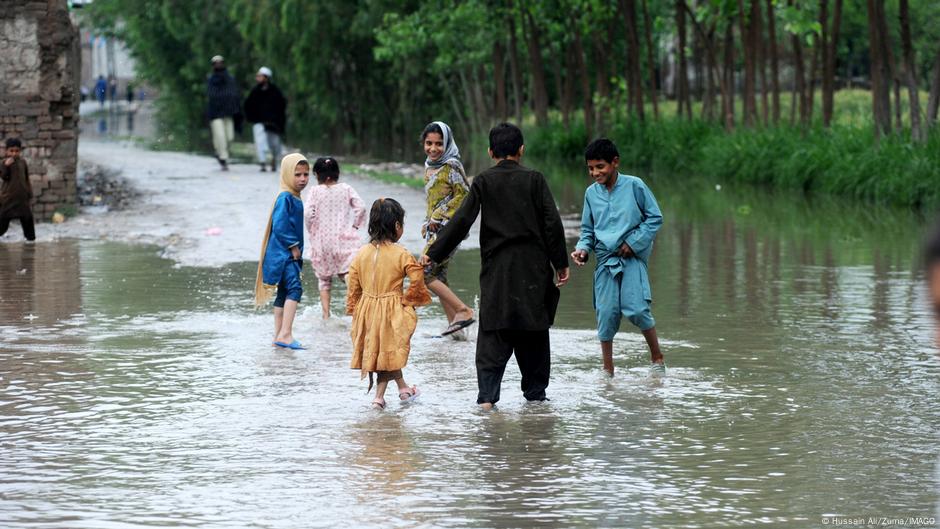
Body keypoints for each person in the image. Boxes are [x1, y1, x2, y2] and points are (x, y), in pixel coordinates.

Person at [424, 123, 570, 410]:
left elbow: (462, 220)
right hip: (533, 272)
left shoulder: (484, 182)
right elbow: (552, 223)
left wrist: (434, 252)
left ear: (491, 152)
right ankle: (536, 399)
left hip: (497, 274)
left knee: (492, 334)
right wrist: (560, 263)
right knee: (534, 334)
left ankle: (488, 401)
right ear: (521, 150)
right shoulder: (535, 179)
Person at [571, 138, 665, 377]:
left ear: (615, 162)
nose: (595, 173)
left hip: (632, 258)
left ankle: (657, 358)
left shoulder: (635, 186)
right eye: (591, 168)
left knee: (636, 309)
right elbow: (588, 230)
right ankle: (607, 370)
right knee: (606, 313)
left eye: (600, 167)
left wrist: (633, 243)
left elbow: (655, 217)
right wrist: (582, 249)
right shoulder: (591, 194)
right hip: (605, 261)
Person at [346, 198, 431, 410]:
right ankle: (379, 398)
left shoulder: (361, 253)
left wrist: (354, 308)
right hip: (392, 307)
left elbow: (353, 285)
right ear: (396, 226)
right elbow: (417, 276)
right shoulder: (401, 253)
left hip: (367, 308)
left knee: (381, 351)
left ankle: (403, 389)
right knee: (386, 351)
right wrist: (410, 300)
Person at [419, 121, 476, 338]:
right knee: (439, 276)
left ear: (447, 144)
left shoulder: (452, 166)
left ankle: (463, 310)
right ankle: (455, 328)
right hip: (435, 231)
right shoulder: (428, 166)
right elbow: (431, 201)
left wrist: (437, 216)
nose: (433, 148)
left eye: (439, 144)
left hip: (451, 230)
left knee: (424, 273)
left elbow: (464, 197)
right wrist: (427, 222)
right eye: (429, 143)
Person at [255, 153, 310, 350]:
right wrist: (293, 246)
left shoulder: (293, 197)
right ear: (287, 174)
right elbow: (280, 225)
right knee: (295, 289)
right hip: (285, 254)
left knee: (284, 291)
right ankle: (286, 334)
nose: (302, 179)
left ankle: (278, 335)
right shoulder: (285, 197)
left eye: (305, 174)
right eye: (297, 174)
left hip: (285, 254)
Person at [304, 157, 366, 319]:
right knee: (346, 273)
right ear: (337, 173)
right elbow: (361, 207)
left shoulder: (314, 191)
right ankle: (356, 305)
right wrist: (355, 226)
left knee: (324, 280)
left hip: (322, 242)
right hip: (344, 239)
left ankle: (325, 316)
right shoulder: (346, 189)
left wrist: (312, 231)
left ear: (316, 174)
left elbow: (307, 213)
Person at [244, 66, 287, 173]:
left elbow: (281, 106)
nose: (258, 78)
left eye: (260, 76)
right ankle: (262, 162)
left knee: (274, 144)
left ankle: (274, 160)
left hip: (273, 123)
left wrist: (278, 121)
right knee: (260, 142)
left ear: (266, 77)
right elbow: (248, 105)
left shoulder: (275, 92)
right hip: (259, 122)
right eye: (257, 76)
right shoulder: (255, 91)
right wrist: (252, 118)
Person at [206, 55, 241, 171]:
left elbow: (234, 94)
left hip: (228, 112)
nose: (218, 65)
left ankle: (219, 152)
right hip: (216, 113)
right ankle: (223, 158)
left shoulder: (229, 79)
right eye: (216, 63)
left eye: (220, 62)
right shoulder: (211, 80)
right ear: (213, 65)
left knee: (229, 137)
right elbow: (212, 95)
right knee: (220, 136)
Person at [0, 138, 35, 242]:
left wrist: (29, 194)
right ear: (6, 151)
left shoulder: (23, 162)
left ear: (20, 151)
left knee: (27, 219)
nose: (14, 153)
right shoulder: (3, 163)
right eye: (11, 151)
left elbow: (27, 178)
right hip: (8, 199)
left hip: (22, 199)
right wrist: (6, 166)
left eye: (17, 151)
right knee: (2, 221)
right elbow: (3, 177)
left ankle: (30, 241)